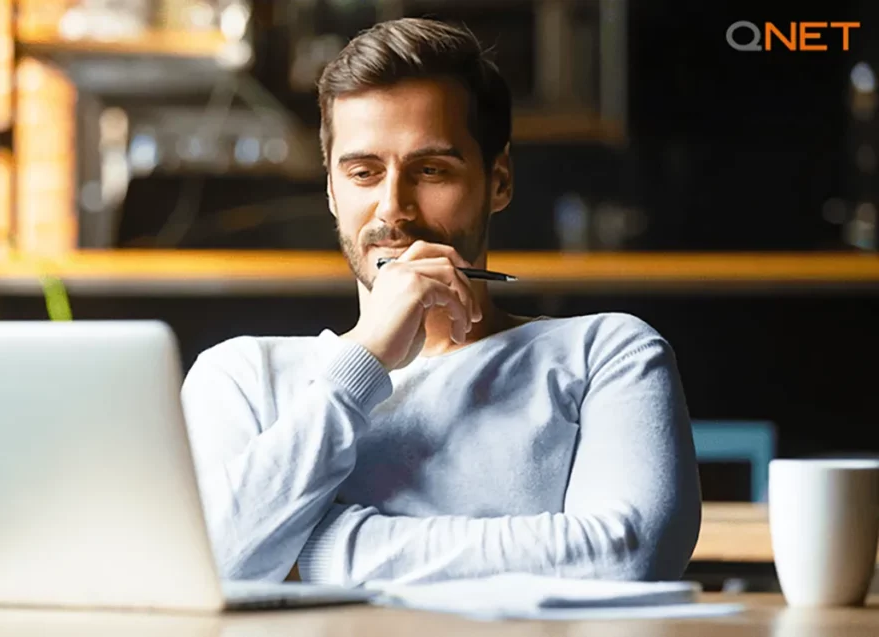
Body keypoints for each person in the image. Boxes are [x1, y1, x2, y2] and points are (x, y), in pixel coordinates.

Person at [180, 17, 702, 587]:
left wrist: (312, 550)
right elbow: (204, 569)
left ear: (498, 181)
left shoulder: (607, 353)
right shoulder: (240, 376)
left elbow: (626, 558)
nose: (392, 208)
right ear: (331, 189)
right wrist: (364, 359)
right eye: (363, 172)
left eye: (431, 170)